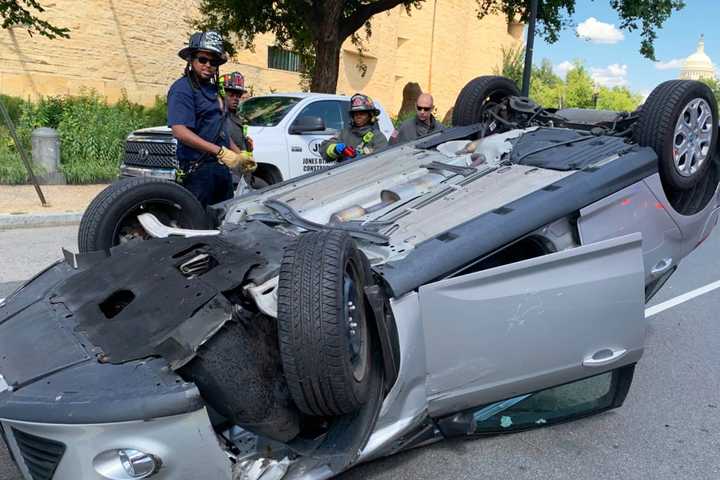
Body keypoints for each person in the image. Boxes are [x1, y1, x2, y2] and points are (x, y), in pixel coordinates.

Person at [167, 31, 256, 207]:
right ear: (191, 60)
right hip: (197, 172)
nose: (208, 65)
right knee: (198, 226)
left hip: (221, 170)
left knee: (224, 220)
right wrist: (219, 151)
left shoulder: (214, 90)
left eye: (213, 62)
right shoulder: (182, 89)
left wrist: (239, 155)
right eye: (202, 59)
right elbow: (180, 131)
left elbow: (220, 129)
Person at [320, 93, 388, 162]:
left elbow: (382, 162)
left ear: (370, 116)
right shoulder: (344, 134)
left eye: (362, 113)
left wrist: (362, 158)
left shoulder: (378, 137)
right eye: (355, 114)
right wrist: (335, 149)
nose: (358, 116)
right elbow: (324, 149)